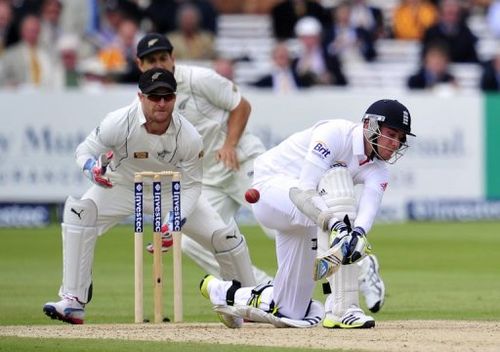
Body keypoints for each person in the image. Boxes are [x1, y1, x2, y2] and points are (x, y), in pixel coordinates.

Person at [43, 67, 257, 324]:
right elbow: (84, 150)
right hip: (121, 185)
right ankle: (73, 300)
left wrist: (175, 219)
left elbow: (191, 187)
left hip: (172, 191)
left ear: (175, 98)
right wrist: (90, 168)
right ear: (140, 97)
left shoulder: (188, 136)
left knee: (227, 236)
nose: (162, 103)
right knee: (79, 211)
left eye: (168, 96)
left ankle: (249, 304)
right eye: (154, 97)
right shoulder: (118, 121)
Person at [200, 99, 416, 329]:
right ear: (370, 125)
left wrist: (359, 234)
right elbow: (305, 188)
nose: (395, 143)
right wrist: (338, 226)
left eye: (401, 139)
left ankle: (223, 293)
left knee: (291, 310)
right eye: (392, 133)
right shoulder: (335, 133)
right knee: (337, 177)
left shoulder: (379, 169)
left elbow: (368, 209)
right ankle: (343, 308)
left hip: (306, 219)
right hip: (272, 190)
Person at [135, 34, 273, 285]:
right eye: (151, 60)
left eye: (162, 58)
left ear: (172, 59)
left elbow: (242, 106)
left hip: (241, 160)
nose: (158, 65)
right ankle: (262, 288)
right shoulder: (144, 103)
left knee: (275, 224)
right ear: (140, 65)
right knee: (191, 243)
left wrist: (229, 144)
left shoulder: (198, 79)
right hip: (209, 178)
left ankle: (357, 268)